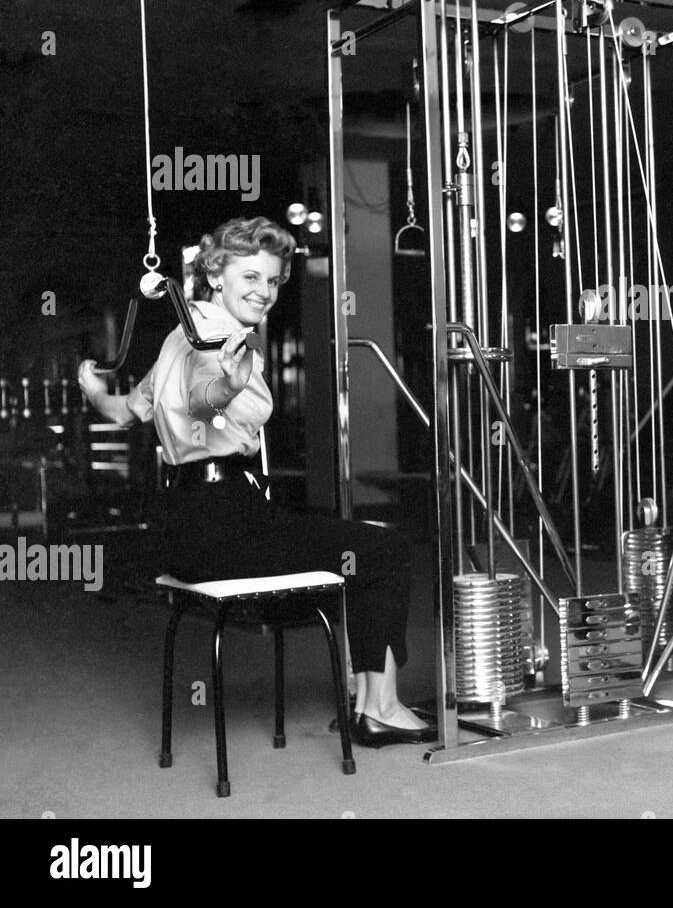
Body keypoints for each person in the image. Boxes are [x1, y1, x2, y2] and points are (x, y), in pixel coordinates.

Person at [79, 216, 432, 748]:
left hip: (184, 525)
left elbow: (125, 411)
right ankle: (378, 708)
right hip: (225, 525)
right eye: (250, 278)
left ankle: (369, 704)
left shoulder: (179, 335)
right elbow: (204, 402)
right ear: (216, 275)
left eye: (271, 281)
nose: (264, 292)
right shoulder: (215, 342)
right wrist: (228, 385)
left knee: (358, 548)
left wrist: (90, 387)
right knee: (384, 548)